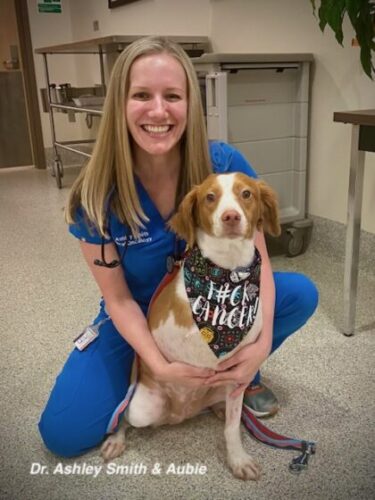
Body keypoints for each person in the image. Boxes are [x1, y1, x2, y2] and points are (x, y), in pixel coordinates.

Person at [38, 36, 318, 458]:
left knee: (298, 294)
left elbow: (257, 258)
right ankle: (185, 373)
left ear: (190, 103)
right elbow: (117, 300)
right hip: (137, 315)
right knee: (63, 433)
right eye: (141, 95)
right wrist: (160, 364)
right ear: (119, 103)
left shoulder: (221, 164)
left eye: (172, 95)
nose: (158, 110)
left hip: (220, 297)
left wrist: (258, 348)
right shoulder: (95, 195)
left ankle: (237, 374)